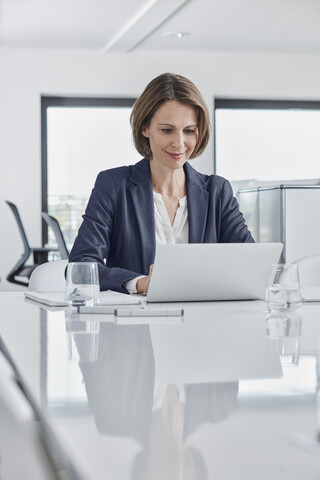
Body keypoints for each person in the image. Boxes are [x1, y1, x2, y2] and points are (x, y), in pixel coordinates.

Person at [69, 72, 253, 294]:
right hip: (134, 323)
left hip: (203, 320)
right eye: (167, 130)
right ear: (144, 128)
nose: (179, 143)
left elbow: (250, 263)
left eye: (189, 131)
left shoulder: (217, 191)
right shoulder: (113, 185)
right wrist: (140, 283)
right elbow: (80, 266)